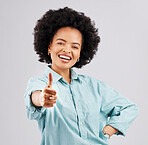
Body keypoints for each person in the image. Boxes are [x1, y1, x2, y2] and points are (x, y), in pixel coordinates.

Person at [24, 7, 138, 145]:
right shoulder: (40, 84)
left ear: (80, 54)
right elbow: (34, 97)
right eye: (60, 43)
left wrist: (109, 129)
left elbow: (129, 108)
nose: (67, 50)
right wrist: (42, 98)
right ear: (49, 47)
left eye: (75, 47)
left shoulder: (94, 87)